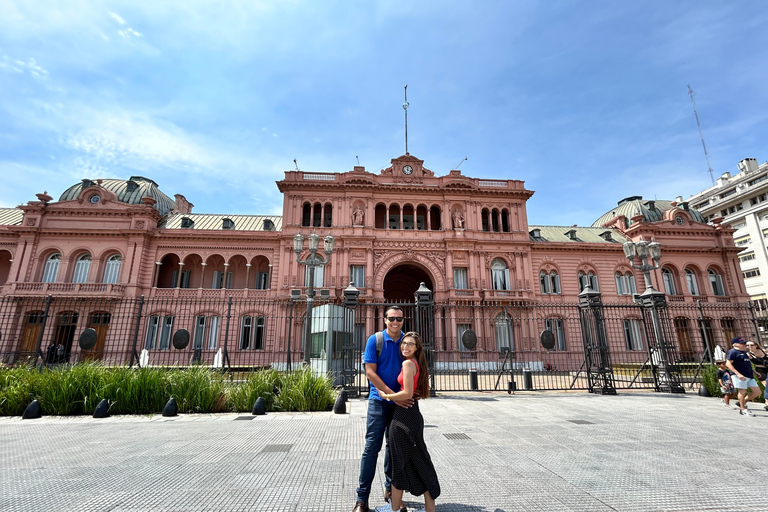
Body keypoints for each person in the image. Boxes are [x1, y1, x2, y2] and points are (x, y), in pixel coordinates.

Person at [353, 307, 412, 512]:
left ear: (403, 320)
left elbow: (416, 368)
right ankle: (362, 499)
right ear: (385, 319)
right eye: (391, 319)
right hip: (379, 402)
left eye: (399, 319)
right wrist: (389, 394)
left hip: (400, 404)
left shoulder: (407, 342)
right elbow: (370, 372)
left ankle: (392, 492)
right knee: (371, 449)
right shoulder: (374, 340)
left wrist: (406, 395)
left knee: (394, 449)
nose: (395, 322)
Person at [376, 332, 440, 512]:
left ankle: (394, 509)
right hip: (413, 415)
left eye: (410, 344)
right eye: (404, 343)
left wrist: (386, 395)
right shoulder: (417, 364)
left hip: (403, 417)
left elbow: (407, 394)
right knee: (419, 461)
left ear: (417, 347)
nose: (405, 346)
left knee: (399, 465)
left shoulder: (407, 363)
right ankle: (428, 508)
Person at [726, 337, 761, 416]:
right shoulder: (732, 352)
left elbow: (746, 364)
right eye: (741, 343)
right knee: (742, 391)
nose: (744, 345)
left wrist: (754, 372)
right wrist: (737, 374)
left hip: (749, 375)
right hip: (739, 375)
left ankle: (742, 402)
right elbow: (728, 364)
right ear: (735, 344)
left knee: (757, 391)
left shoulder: (744, 352)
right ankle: (742, 409)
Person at [746, 340, 768, 411]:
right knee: (767, 385)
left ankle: (767, 403)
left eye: (751, 345)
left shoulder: (763, 350)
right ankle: (767, 403)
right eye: (747, 345)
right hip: (760, 371)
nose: (749, 347)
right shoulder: (748, 354)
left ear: (756, 345)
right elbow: (747, 364)